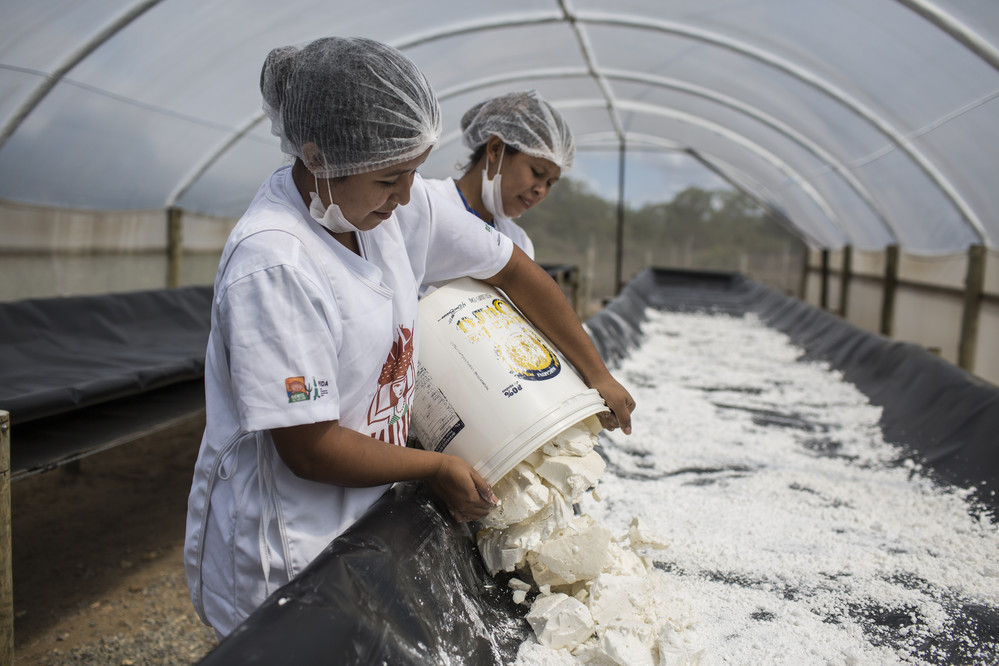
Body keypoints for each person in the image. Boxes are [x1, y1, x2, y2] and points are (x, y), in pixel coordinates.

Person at [184, 36, 635, 639]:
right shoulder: (276, 263)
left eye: (415, 173)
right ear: (318, 156)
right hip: (289, 542)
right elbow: (310, 447)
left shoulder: (397, 208)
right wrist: (434, 466)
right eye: (390, 177)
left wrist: (597, 374)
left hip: (368, 513)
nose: (404, 195)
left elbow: (513, 270)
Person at [421, 90, 573, 261]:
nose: (541, 190)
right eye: (536, 172)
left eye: (551, 183)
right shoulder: (426, 203)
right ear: (495, 149)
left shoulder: (519, 243)